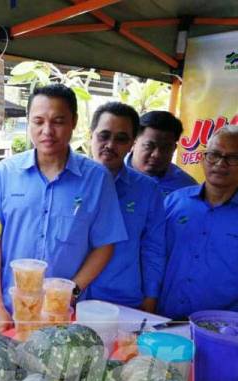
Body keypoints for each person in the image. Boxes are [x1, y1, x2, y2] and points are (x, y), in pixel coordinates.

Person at [0, 84, 127, 331]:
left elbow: (104, 245)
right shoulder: (4, 173)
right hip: (8, 312)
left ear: (74, 122)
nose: (47, 130)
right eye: (38, 121)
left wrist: (71, 292)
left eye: (58, 121)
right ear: (28, 122)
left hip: (63, 316)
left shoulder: (96, 179)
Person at [87, 102, 166, 312]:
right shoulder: (67, 183)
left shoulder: (148, 191)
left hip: (121, 301)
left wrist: (150, 298)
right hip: (69, 298)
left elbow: (153, 249)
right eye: (104, 135)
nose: (110, 145)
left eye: (121, 139)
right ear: (91, 135)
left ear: (132, 142)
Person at [158, 125, 238, 320]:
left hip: (222, 330)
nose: (220, 163)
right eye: (214, 154)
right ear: (203, 158)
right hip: (162, 319)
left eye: (233, 158)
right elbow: (152, 255)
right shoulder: (174, 202)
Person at [126, 110, 197, 196]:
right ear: (133, 142)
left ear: (174, 149)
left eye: (165, 148)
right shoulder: (111, 174)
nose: (157, 155)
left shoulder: (186, 189)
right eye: (149, 146)